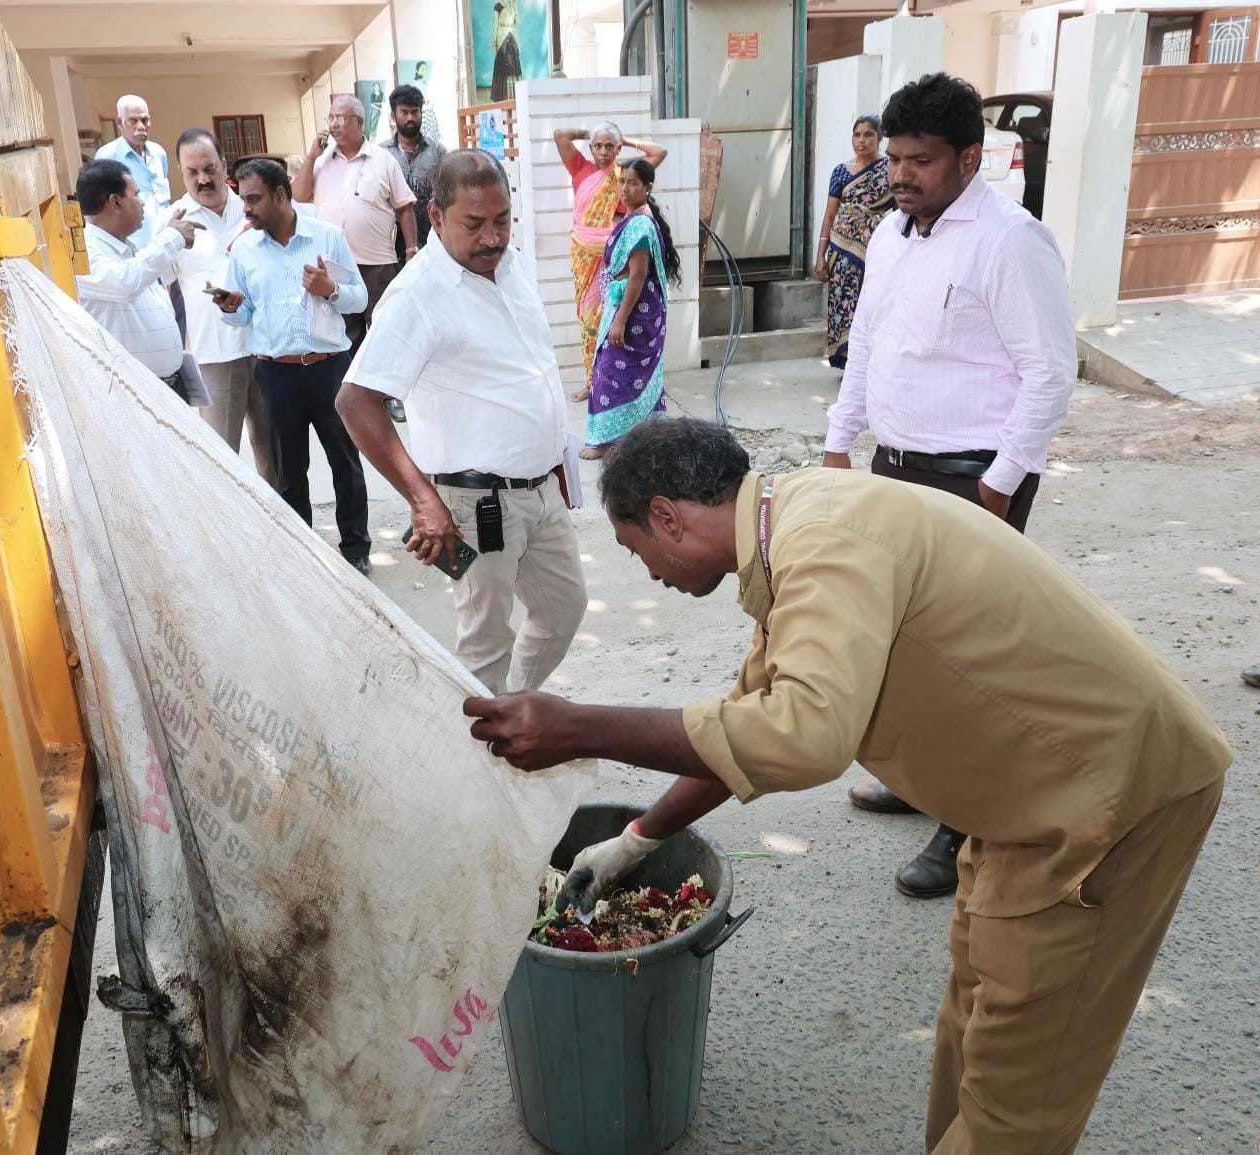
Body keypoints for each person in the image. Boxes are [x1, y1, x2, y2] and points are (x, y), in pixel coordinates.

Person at [463, 417, 1230, 1155]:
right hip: (1022, 801)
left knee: (1017, 1100)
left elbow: (801, 734)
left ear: (666, 517)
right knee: (971, 1025)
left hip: (1108, 802)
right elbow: (748, 721)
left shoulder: (825, 541)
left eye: (636, 553)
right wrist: (636, 841)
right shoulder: (791, 524)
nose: (652, 577)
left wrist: (580, 725)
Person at [823, 72, 1077, 899]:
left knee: (970, 657)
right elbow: (865, 346)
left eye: (920, 160)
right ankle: (925, 776)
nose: (900, 174)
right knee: (905, 642)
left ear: (972, 158)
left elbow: (1050, 373)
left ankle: (963, 821)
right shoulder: (895, 233)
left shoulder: (1010, 239)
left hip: (975, 479)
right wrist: (838, 447)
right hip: (896, 467)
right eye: (894, 158)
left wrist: (1001, 487)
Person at [337, 151, 587, 693]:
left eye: (502, 220)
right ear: (435, 216)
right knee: (485, 646)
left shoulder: (511, 264)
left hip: (542, 488)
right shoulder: (417, 294)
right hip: (476, 507)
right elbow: (356, 402)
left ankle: (514, 716)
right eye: (474, 224)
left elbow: (531, 366)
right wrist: (424, 502)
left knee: (564, 610)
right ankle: (485, 760)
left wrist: (553, 456)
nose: (492, 238)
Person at [214, 160, 373, 576]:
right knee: (289, 468)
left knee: (345, 461)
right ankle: (301, 553)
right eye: (243, 199)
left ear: (281, 195)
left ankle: (355, 547)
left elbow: (359, 299)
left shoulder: (327, 238)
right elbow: (243, 311)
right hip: (274, 372)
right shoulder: (245, 250)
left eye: (253, 199)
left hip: (328, 368)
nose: (245, 209)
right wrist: (232, 307)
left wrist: (330, 289)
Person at [170, 128, 275, 487]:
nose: (202, 179)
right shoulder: (174, 221)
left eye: (209, 168)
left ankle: (283, 531)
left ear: (223, 165)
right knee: (220, 460)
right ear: (181, 173)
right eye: (192, 171)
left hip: (265, 349)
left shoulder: (253, 209)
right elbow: (153, 282)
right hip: (214, 355)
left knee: (274, 453)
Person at [293, 95, 418, 359]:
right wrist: (310, 158)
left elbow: (405, 208)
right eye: (331, 118)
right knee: (346, 336)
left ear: (360, 122)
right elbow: (300, 195)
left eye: (341, 118)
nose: (334, 125)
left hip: (377, 265)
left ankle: (385, 393)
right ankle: (350, 393)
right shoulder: (322, 160)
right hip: (337, 266)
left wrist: (410, 250)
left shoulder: (383, 160)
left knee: (385, 331)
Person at [552, 123, 667, 403]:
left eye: (609, 146)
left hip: (613, 258)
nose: (603, 151)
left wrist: (625, 138)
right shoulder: (580, 168)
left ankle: (614, 382)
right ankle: (592, 384)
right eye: (598, 146)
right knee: (589, 322)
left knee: (614, 320)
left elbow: (659, 151)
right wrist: (590, 133)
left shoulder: (624, 175)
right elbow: (560, 135)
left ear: (618, 149)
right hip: (583, 256)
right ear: (591, 149)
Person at [581, 159, 680, 460]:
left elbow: (637, 275)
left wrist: (620, 321)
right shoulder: (635, 218)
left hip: (636, 312)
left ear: (648, 188)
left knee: (611, 371)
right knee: (616, 371)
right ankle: (630, 437)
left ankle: (610, 442)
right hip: (627, 304)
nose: (625, 188)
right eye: (622, 181)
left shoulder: (640, 224)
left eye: (633, 182)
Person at [74, 159, 201, 395]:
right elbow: (125, 283)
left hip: (166, 386)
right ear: (115, 202)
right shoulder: (84, 252)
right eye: (136, 194)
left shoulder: (126, 248)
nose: (142, 202)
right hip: (132, 394)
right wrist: (172, 238)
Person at [96, 95, 185, 341]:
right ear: (119, 123)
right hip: (134, 252)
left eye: (144, 120)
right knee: (145, 314)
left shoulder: (158, 153)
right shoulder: (108, 155)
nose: (140, 126)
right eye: (133, 120)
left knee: (173, 309)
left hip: (164, 245)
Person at [815, 115, 893, 370]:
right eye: (857, 134)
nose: (861, 140)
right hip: (840, 250)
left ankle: (870, 362)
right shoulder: (840, 172)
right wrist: (820, 255)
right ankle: (847, 363)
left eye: (868, 134)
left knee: (871, 305)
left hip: (875, 252)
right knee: (841, 303)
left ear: (879, 138)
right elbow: (829, 215)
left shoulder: (890, 170)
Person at [382, 84, 447, 264]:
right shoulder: (381, 154)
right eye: (404, 112)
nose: (410, 118)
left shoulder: (438, 152)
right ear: (394, 116)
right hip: (391, 246)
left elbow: (446, 195)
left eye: (415, 112)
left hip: (432, 242)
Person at [490, 0, 521, 101]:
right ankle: (509, 95)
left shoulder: (510, 4)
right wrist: (495, 40)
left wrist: (494, 41)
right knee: (508, 63)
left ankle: (507, 95)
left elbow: (516, 21)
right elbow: (516, 21)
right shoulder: (499, 5)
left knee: (507, 63)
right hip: (507, 35)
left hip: (506, 34)